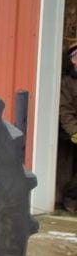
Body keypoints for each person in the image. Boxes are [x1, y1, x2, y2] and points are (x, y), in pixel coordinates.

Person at [58, 43, 77, 212]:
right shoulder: (66, 83)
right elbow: (65, 111)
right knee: (68, 172)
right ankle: (69, 202)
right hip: (69, 133)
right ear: (73, 60)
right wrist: (74, 132)